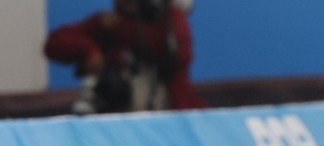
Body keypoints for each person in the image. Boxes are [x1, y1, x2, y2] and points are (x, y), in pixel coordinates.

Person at [43, 0, 204, 114]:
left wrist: (122, 28)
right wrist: (90, 51)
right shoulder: (105, 23)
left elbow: (178, 55)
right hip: (120, 117)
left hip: (171, 113)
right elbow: (54, 45)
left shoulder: (167, 20)